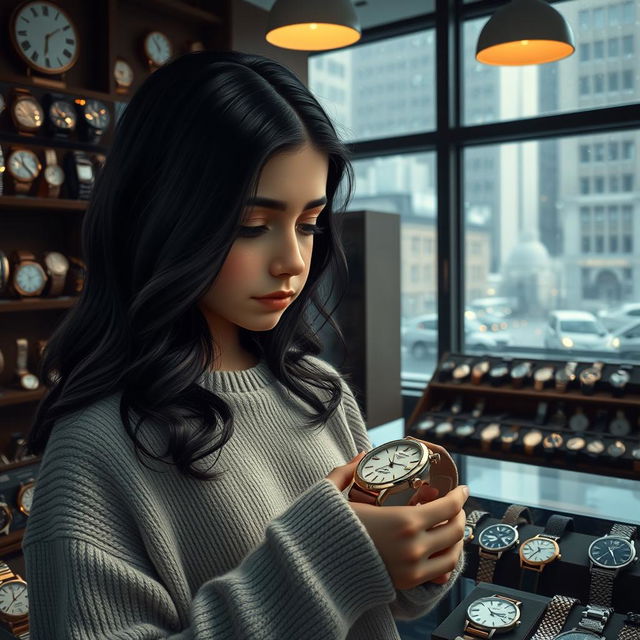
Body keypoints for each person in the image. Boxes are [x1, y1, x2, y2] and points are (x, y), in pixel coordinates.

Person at [23, 50, 468, 639]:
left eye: (309, 224)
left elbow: (383, 608)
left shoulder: (318, 388)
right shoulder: (94, 451)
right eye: (251, 226)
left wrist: (419, 558)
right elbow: (338, 576)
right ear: (161, 217)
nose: (293, 260)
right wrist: (329, 563)